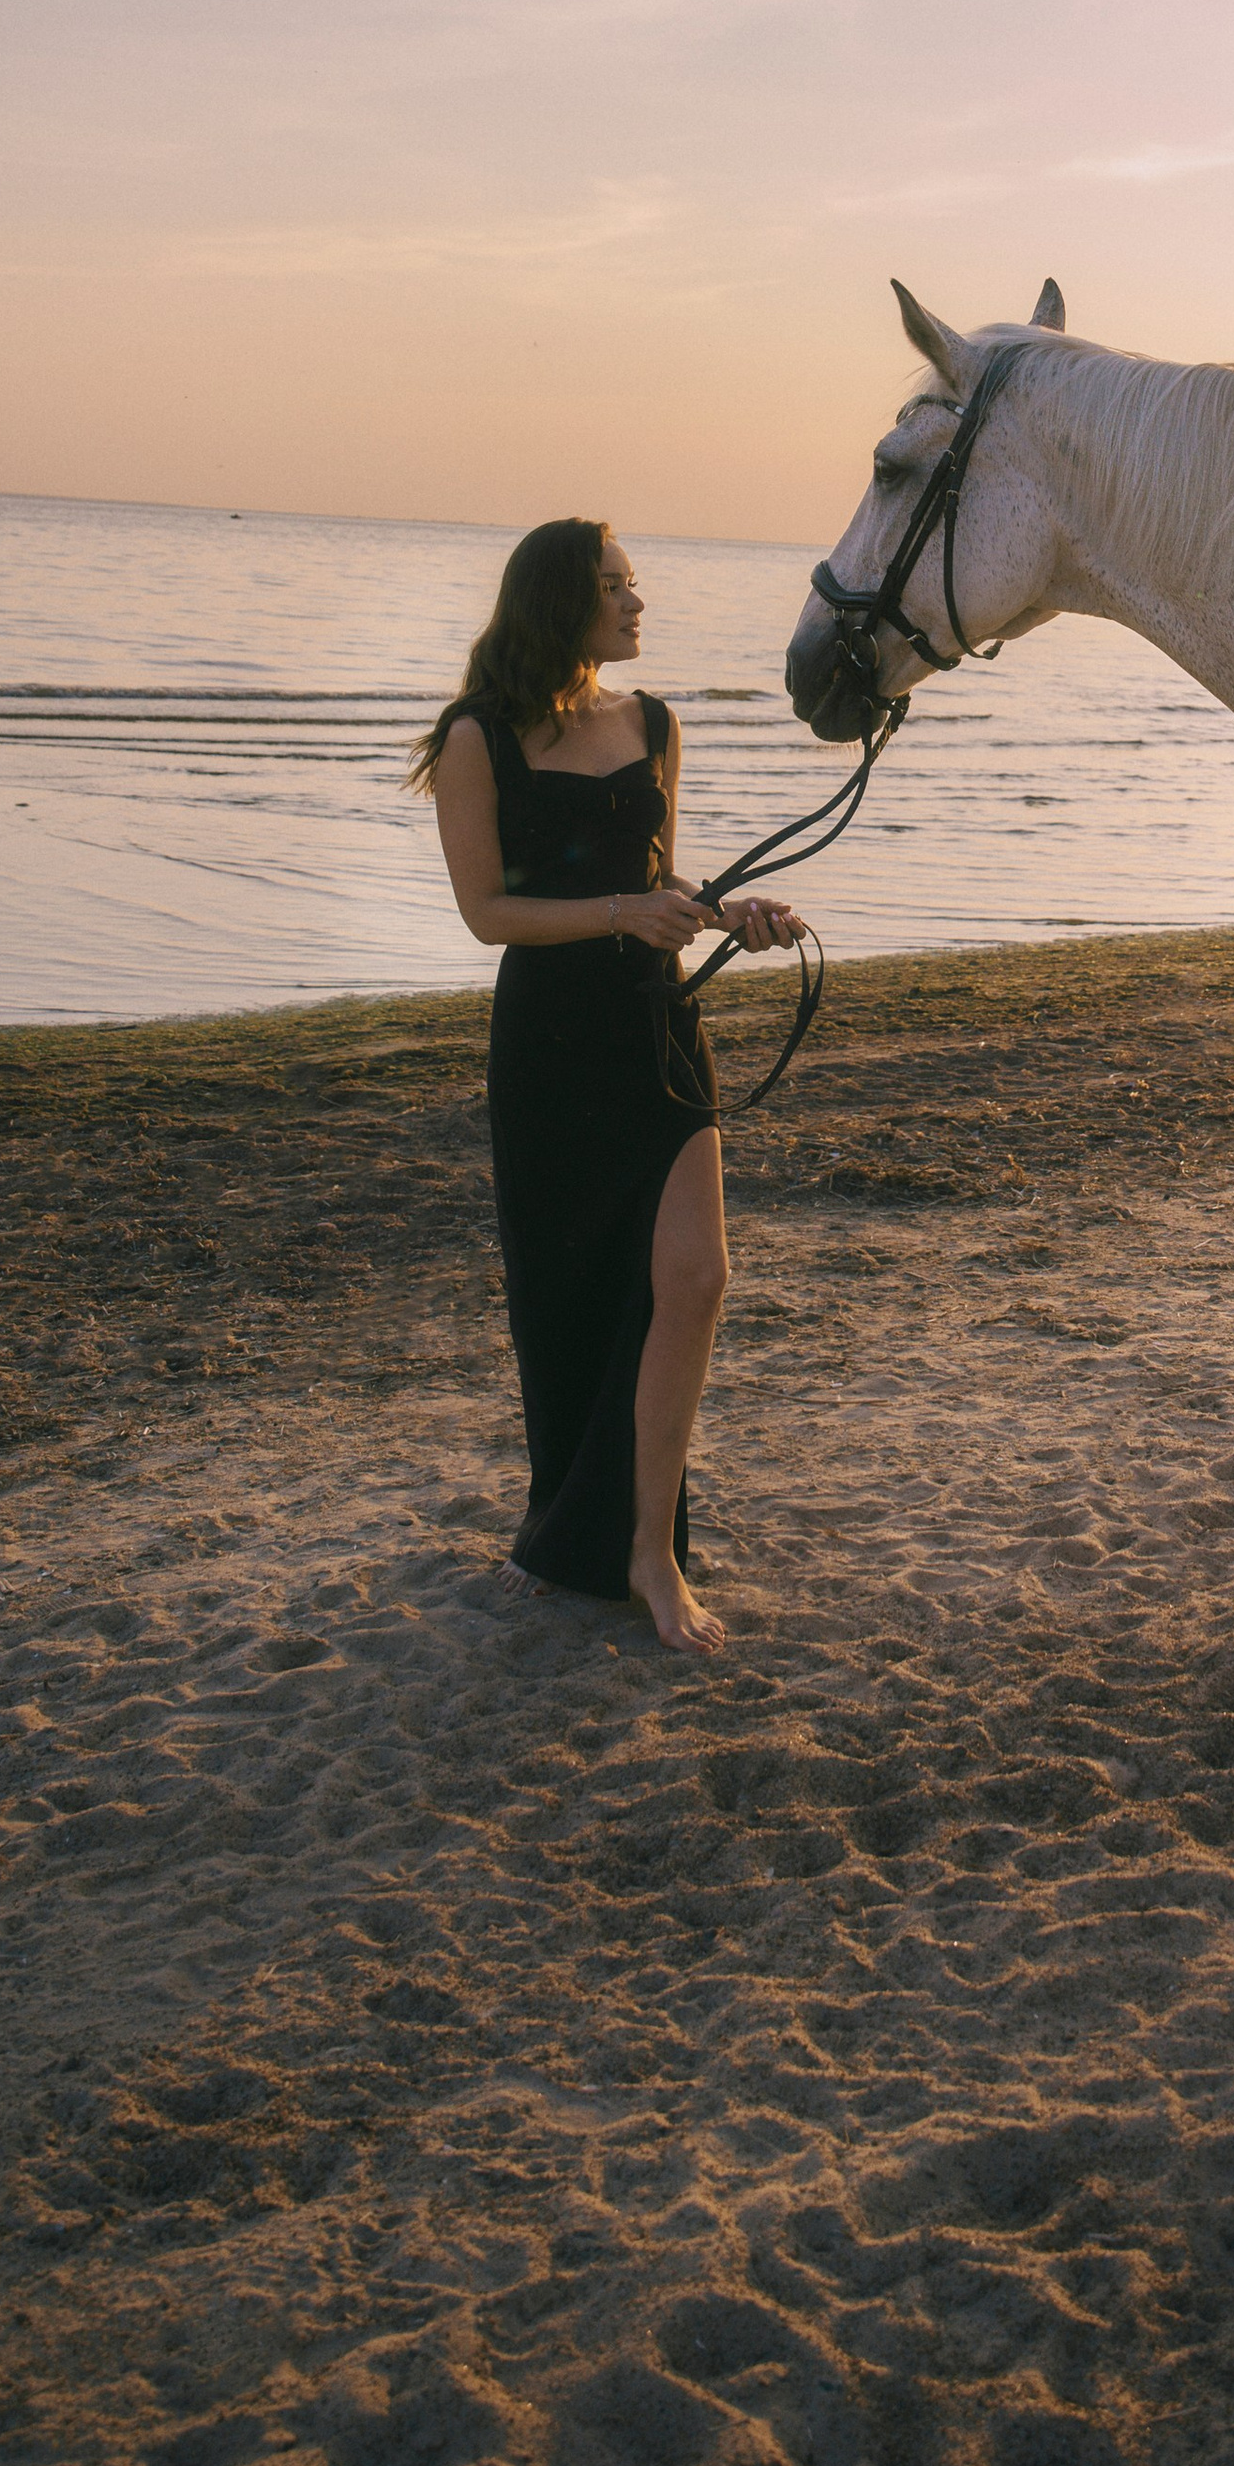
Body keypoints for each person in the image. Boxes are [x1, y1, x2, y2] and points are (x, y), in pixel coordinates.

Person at [411, 519, 800, 1649]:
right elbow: (489, 914)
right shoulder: (478, 737)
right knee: (571, 1296)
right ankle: (579, 1529)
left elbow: (657, 877)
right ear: (560, 602)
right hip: (549, 1047)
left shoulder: (655, 723)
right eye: (617, 587)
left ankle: (649, 1550)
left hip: (656, 1025)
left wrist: (732, 913)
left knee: (696, 1280)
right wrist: (627, 913)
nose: (638, 604)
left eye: (635, 585)